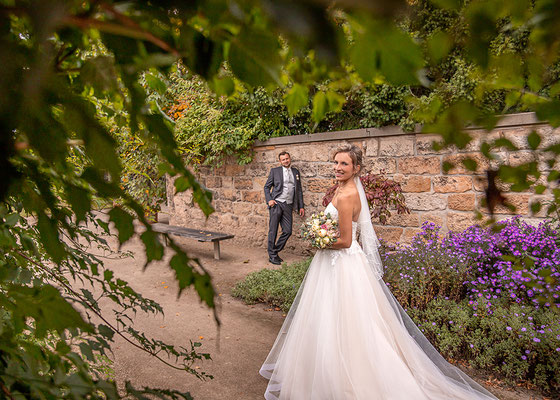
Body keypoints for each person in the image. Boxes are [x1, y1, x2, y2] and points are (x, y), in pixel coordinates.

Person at [260, 144, 498, 400]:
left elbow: (346, 241)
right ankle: (322, 373)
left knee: (343, 321)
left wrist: (317, 240)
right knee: (329, 318)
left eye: (344, 164)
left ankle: (346, 380)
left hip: (340, 262)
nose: (338, 168)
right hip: (338, 263)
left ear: (356, 169)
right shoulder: (343, 188)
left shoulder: (349, 194)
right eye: (336, 163)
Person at [264, 151, 305, 265]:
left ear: (289, 158)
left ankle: (274, 251)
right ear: (280, 161)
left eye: (287, 158)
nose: (286, 161)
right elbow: (267, 187)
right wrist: (269, 200)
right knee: (273, 230)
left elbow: (299, 190)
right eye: (283, 159)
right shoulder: (275, 171)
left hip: (288, 204)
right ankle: (272, 256)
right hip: (276, 203)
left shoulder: (295, 171)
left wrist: (301, 206)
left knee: (287, 231)